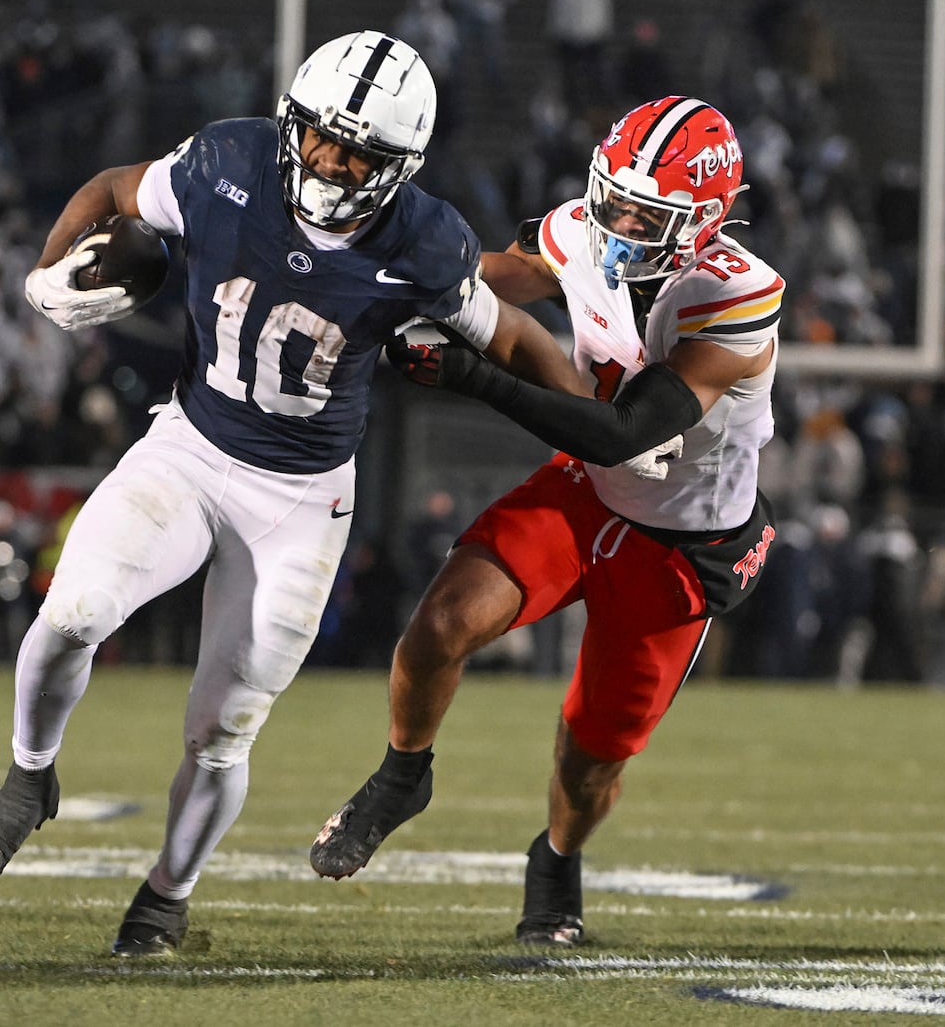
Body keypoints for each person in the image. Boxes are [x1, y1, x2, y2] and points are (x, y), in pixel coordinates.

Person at [0, 30, 579, 957]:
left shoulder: (426, 240)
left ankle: (165, 899)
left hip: (301, 498)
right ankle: (28, 776)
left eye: (353, 149)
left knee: (221, 728)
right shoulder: (228, 160)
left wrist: (601, 429)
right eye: (318, 134)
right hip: (191, 448)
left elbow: (511, 334)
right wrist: (47, 272)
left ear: (394, 165)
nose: (326, 158)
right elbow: (116, 190)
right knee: (73, 609)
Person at [310, 96, 785, 948]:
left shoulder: (735, 296)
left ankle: (557, 857)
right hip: (585, 489)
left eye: (649, 213)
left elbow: (627, 431)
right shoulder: (584, 227)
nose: (620, 221)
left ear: (706, 220)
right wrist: (371, 263)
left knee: (591, 752)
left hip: (678, 542)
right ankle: (401, 773)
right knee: (440, 624)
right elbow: (496, 273)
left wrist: (469, 375)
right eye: (614, 198)